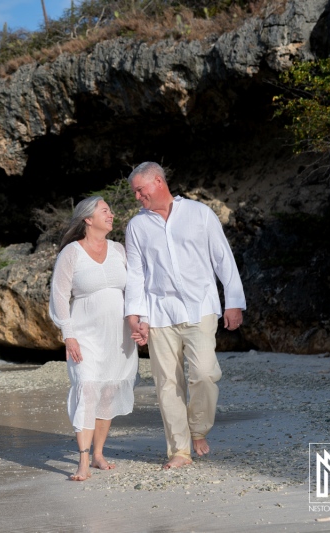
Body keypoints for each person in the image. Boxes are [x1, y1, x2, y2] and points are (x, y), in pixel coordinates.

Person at [123, 162, 246, 470]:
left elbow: (223, 259)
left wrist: (233, 302)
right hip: (159, 312)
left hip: (200, 307)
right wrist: (135, 315)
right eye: (135, 192)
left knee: (205, 373)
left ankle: (198, 429)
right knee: (167, 385)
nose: (137, 197)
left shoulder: (199, 214)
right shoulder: (137, 227)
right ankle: (180, 451)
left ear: (158, 182)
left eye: (141, 189)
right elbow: (136, 275)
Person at [49, 196, 139, 481]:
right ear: (88, 219)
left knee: (109, 390)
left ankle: (99, 453)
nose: (111, 215)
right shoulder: (71, 253)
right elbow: (60, 296)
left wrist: (140, 321)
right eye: (105, 211)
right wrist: (69, 335)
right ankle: (83, 460)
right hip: (85, 335)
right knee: (87, 388)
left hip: (119, 336)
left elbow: (136, 289)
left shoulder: (119, 250)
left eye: (110, 211)